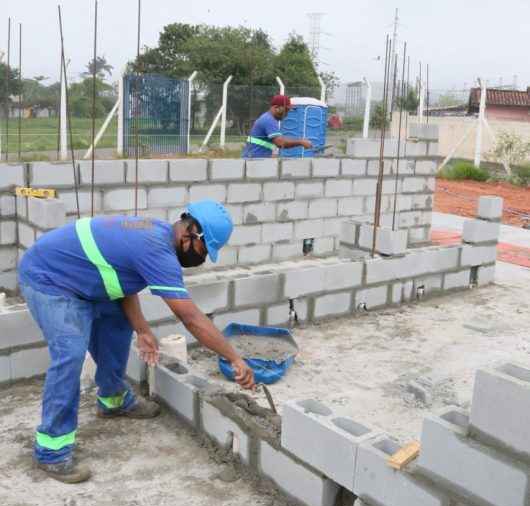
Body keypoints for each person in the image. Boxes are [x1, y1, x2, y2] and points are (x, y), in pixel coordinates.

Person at [18, 200, 255, 484]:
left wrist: (142, 330)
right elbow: (190, 318)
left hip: (85, 280)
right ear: (190, 235)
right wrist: (234, 357)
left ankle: (113, 400)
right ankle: (51, 451)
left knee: (118, 327)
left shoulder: (155, 233)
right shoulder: (156, 249)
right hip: (51, 279)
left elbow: (120, 277)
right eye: (205, 250)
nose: (203, 259)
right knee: (70, 352)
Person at [242, 94, 313, 158]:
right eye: (286, 110)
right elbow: (280, 143)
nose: (286, 114)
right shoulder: (269, 120)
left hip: (254, 159)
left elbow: (269, 143)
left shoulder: (267, 118)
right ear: (276, 107)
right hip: (254, 162)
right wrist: (301, 142)